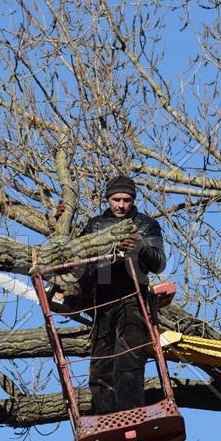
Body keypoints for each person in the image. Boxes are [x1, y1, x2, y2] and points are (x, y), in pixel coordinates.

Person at [56, 174, 166, 415]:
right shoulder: (94, 225)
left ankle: (131, 416)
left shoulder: (145, 224)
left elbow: (159, 263)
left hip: (132, 298)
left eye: (127, 200)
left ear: (133, 200)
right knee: (100, 369)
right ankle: (107, 421)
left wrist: (141, 249)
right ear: (107, 199)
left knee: (129, 360)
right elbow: (76, 259)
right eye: (116, 199)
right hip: (102, 301)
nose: (121, 205)